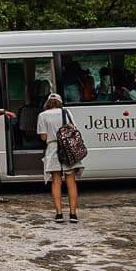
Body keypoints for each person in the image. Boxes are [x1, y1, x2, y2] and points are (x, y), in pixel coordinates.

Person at [37, 93, 82, 223]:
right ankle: (73, 214)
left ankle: (59, 214)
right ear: (60, 102)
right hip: (68, 149)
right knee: (71, 181)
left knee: (56, 181)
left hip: (52, 149)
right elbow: (74, 129)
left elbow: (43, 137)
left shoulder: (42, 115)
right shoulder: (66, 112)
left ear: (47, 103)